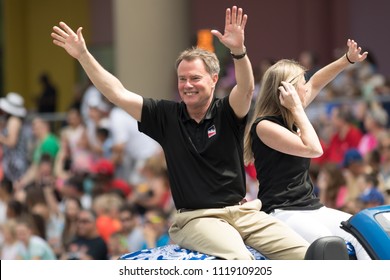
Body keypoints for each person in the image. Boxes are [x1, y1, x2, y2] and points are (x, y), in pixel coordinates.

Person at [51, 6, 309, 260]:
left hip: (243, 213)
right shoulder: (166, 115)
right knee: (240, 262)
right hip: (196, 218)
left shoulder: (227, 111)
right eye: (182, 79)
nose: (187, 85)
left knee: (310, 255)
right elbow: (117, 93)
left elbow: (246, 88)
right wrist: (83, 55)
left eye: (195, 78)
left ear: (214, 79)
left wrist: (238, 51)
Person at [244, 39, 371, 259]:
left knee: (362, 235)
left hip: (311, 207)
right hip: (282, 211)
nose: (307, 86)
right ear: (287, 91)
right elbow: (314, 149)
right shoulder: (264, 126)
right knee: (329, 244)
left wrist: (346, 60)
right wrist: (297, 109)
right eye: (302, 82)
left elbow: (319, 81)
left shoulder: (293, 114)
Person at [0, 92, 29, 183]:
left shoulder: (14, 120)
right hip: (13, 162)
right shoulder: (13, 120)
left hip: (15, 163)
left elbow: (12, 142)